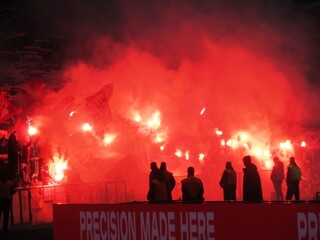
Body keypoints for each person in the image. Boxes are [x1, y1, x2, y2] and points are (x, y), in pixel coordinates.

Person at [0, 168, 16, 233]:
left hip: (0, 200)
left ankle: (4, 227)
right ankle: (5, 228)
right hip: (7, 200)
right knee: (6, 215)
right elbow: (13, 191)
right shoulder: (10, 183)